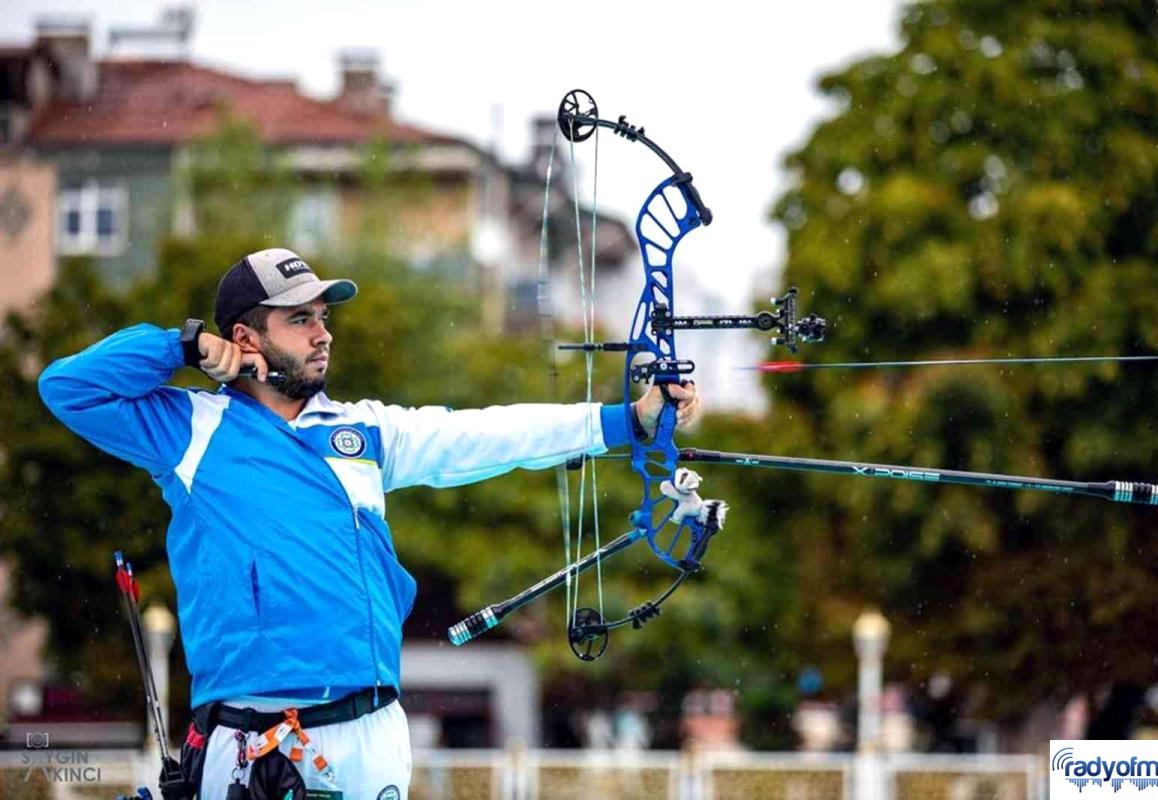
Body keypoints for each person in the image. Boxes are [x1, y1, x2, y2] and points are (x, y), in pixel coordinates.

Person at [38, 248, 699, 800]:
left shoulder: (363, 430)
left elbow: (481, 435)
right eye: (300, 319)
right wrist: (179, 343)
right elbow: (67, 387)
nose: (323, 333)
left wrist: (625, 420)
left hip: (373, 728)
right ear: (246, 338)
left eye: (323, 318)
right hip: (251, 736)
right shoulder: (188, 429)